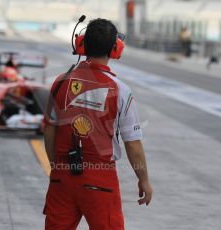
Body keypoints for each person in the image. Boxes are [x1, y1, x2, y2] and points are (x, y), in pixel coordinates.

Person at [43, 18, 152, 230]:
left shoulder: (60, 82)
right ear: (115, 48)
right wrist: (144, 179)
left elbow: (49, 131)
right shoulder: (120, 90)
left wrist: (57, 167)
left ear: (81, 44)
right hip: (100, 179)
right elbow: (133, 143)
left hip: (62, 177)